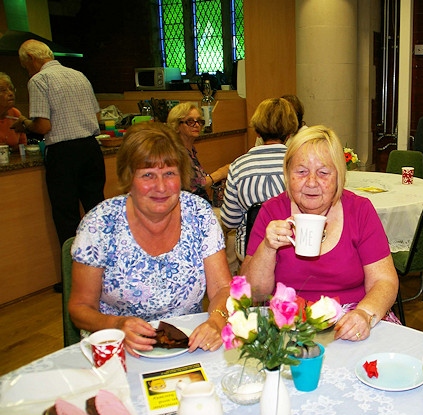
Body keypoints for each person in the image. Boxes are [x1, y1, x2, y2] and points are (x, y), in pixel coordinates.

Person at [68, 122, 232, 356]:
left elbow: (223, 289)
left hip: (188, 345)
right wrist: (116, 326)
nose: (161, 187)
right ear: (128, 177)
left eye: (169, 174)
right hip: (119, 348)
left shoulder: (199, 214)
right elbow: (80, 308)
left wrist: (216, 322)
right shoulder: (100, 224)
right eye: (148, 175)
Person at [240, 125, 399, 342]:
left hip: (352, 318)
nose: (312, 182)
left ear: (339, 176)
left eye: (323, 172)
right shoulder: (272, 211)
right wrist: (267, 248)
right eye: (301, 171)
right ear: (287, 174)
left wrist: (365, 313)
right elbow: (254, 293)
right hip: (287, 322)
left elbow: (385, 280)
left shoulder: (359, 210)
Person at [13, 40, 105, 248]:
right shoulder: (78, 75)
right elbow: (97, 116)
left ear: (31, 60)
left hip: (64, 154)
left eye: (25, 66)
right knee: (97, 212)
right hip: (91, 149)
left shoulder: (39, 80)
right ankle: (106, 268)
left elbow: (43, 126)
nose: (27, 71)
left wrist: (26, 124)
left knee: (67, 217)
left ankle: (74, 271)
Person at [220, 97, 298, 260]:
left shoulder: (237, 166)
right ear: (290, 132)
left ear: (257, 131)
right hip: (291, 249)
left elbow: (229, 221)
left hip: (249, 251)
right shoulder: (298, 164)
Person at [166, 102, 229, 204]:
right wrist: (220, 173)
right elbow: (193, 186)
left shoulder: (191, 150)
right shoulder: (175, 153)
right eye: (190, 121)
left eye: (199, 121)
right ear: (177, 126)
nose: (196, 125)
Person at [0, 72, 27, 149]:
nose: (10, 93)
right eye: (3, 90)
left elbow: (23, 145)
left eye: (11, 89)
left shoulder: (15, 113)